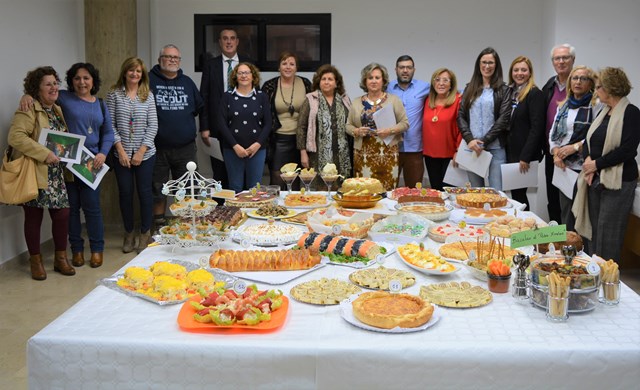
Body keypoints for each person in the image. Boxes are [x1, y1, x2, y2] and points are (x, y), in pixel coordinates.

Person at [18, 63, 115, 268]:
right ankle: (76, 251)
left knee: (93, 208)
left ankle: (97, 250)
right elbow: (40, 94)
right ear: (71, 81)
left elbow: (108, 133)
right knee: (70, 210)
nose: (82, 82)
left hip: (91, 162)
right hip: (67, 162)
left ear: (93, 81)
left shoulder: (100, 103)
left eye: (86, 78)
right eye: (77, 78)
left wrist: (103, 153)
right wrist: (26, 96)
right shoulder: (62, 98)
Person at [8, 66, 75, 280]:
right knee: (34, 217)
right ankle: (35, 261)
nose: (54, 87)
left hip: (56, 173)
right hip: (36, 170)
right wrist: (44, 154)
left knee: (62, 214)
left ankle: (60, 258)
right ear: (37, 89)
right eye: (48, 84)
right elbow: (16, 137)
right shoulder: (28, 108)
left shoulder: (57, 109)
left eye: (55, 83)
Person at [573, 67, 640, 262]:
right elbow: (589, 139)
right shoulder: (604, 112)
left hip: (617, 182)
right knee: (593, 231)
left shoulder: (631, 113)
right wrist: (587, 159)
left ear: (610, 88)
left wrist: (597, 164)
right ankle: (593, 274)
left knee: (608, 235)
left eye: (599, 87)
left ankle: (606, 280)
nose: (596, 91)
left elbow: (628, 150)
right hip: (595, 180)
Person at [106, 57, 158, 254]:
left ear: (142, 74)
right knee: (125, 194)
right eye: (131, 71)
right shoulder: (114, 94)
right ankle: (129, 232)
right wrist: (120, 151)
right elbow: (110, 125)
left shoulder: (148, 95)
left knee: (145, 193)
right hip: (122, 155)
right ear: (125, 72)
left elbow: (153, 125)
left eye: (138, 71)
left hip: (145, 154)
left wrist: (141, 151)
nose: (135, 74)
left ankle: (145, 233)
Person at [149, 44, 203, 231]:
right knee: (158, 189)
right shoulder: (148, 81)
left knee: (188, 189)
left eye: (176, 58)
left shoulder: (187, 82)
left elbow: (198, 109)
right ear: (159, 59)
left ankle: (186, 226)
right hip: (156, 148)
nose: (172, 60)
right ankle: (157, 226)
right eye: (168, 56)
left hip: (185, 148)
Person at [200, 28, 251, 189]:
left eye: (232, 38)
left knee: (241, 173)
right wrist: (204, 127)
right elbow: (204, 97)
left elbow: (254, 95)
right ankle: (222, 211)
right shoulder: (210, 65)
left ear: (237, 42)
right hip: (217, 128)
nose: (229, 42)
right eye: (225, 38)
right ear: (220, 42)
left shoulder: (247, 63)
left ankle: (241, 210)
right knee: (220, 173)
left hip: (243, 128)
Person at [346, 63, 409, 190]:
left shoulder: (394, 100)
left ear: (383, 80)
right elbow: (348, 126)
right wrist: (357, 131)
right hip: (362, 155)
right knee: (363, 191)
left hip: (388, 155)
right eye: (370, 78)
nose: (374, 81)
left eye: (377, 77)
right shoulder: (356, 102)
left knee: (387, 191)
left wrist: (390, 130)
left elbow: (405, 124)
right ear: (365, 81)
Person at [549, 65, 597, 229]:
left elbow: (597, 136)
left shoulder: (595, 106)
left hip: (584, 168)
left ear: (590, 83)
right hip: (564, 168)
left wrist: (575, 147)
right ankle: (567, 249)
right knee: (566, 213)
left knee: (583, 216)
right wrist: (556, 153)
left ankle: (582, 252)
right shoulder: (563, 105)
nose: (578, 82)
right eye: (575, 78)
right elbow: (552, 134)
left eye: (583, 78)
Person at [457, 47, 511, 190]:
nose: (487, 66)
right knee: (476, 194)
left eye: (491, 63)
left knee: (497, 193)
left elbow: (503, 119)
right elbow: (461, 116)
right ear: (478, 64)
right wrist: (469, 139)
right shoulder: (469, 89)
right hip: (472, 148)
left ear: (496, 65)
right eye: (484, 62)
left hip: (495, 148)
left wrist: (484, 141)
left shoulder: (504, 90)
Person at [262, 51, 313, 189]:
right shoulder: (269, 86)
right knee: (277, 179)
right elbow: (263, 114)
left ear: (296, 68)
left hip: (300, 141)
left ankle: (294, 209)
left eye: (292, 64)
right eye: (284, 63)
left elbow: (314, 111)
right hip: (278, 139)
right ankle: (276, 210)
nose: (288, 67)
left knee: (296, 181)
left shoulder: (306, 84)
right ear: (279, 67)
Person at [217, 63, 271, 192]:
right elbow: (221, 123)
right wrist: (235, 146)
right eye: (240, 73)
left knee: (254, 188)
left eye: (247, 72)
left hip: (257, 150)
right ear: (235, 76)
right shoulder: (227, 96)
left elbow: (268, 124)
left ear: (253, 76)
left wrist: (257, 145)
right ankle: (236, 213)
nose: (244, 76)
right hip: (232, 149)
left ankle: (252, 213)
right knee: (235, 187)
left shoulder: (261, 97)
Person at [297, 64, 352, 186]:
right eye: (324, 79)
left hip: (341, 154)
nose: (326, 82)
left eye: (330, 79)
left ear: (336, 83)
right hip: (317, 155)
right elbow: (301, 127)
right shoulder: (311, 100)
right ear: (319, 82)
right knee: (320, 189)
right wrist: (303, 153)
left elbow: (351, 123)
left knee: (341, 187)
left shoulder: (345, 99)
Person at [542, 43, 576, 223]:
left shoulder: (581, 84)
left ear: (573, 60)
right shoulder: (549, 85)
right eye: (557, 58)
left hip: (574, 156)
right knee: (553, 199)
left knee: (571, 204)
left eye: (565, 58)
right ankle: (556, 243)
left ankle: (571, 244)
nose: (561, 62)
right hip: (552, 153)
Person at [506, 56, 545, 210]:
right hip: (510, 151)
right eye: (516, 70)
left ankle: (525, 229)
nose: (519, 73)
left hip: (523, 155)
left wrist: (526, 156)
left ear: (530, 73)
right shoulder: (510, 92)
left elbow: (537, 127)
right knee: (514, 195)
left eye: (524, 70)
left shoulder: (535, 94)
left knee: (520, 196)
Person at [387, 55, 430, 187]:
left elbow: (447, 90)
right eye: (402, 67)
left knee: (414, 190)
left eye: (409, 67)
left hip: (415, 148)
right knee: (388, 188)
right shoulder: (386, 88)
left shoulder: (425, 87)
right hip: (391, 148)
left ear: (414, 70)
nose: (405, 70)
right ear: (396, 70)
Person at [422, 68, 462, 191]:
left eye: (445, 80)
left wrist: (458, 151)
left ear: (451, 84)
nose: (441, 83)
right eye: (437, 80)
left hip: (450, 155)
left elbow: (462, 128)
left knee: (449, 192)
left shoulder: (458, 100)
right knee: (436, 191)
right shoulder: (427, 101)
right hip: (430, 155)